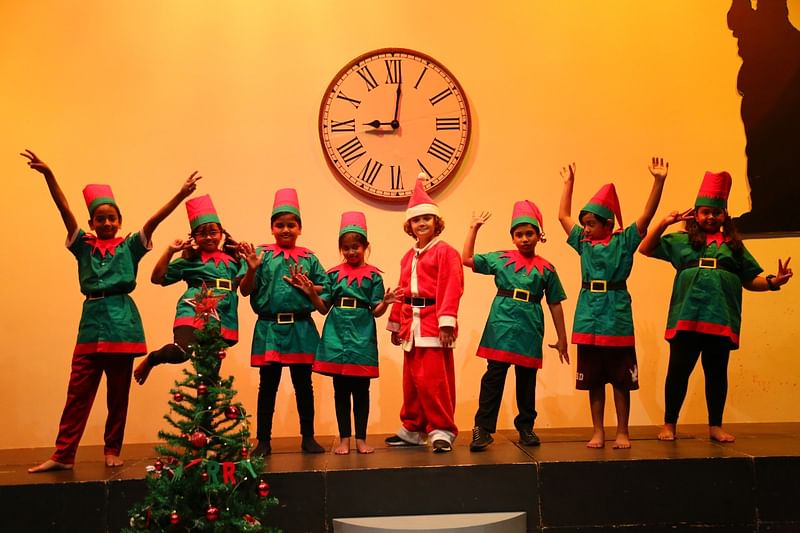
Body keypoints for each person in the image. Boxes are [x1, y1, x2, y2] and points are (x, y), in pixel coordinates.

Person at [21, 149, 200, 472]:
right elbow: (64, 211)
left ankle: (112, 450)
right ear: (91, 222)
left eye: (111, 218)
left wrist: (180, 194)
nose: (106, 222)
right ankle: (63, 454)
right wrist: (49, 176)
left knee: (118, 395)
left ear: (119, 221)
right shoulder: (83, 246)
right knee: (77, 393)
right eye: (100, 218)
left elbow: (153, 221)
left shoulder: (130, 246)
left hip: (122, 323)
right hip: (91, 324)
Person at [640, 170, 792, 443]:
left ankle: (715, 427)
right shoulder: (681, 241)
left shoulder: (734, 246)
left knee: (716, 375)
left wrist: (773, 281)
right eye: (705, 212)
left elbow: (750, 279)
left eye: (717, 213)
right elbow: (645, 248)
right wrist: (665, 222)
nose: (711, 217)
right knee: (678, 372)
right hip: (687, 318)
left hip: (720, 318)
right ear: (696, 215)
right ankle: (669, 424)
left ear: (725, 216)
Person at [557, 158, 668, 449]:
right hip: (588, 315)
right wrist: (569, 184)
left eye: (591, 224)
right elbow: (562, 216)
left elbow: (646, 215)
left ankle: (622, 431)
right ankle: (598, 430)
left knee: (620, 380)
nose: (586, 229)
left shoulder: (624, 241)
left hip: (616, 314)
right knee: (593, 380)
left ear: (608, 223)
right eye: (584, 225)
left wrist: (658, 182)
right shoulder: (582, 242)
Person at [463, 201, 569, 452]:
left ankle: (526, 426)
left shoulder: (547, 269)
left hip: (530, 326)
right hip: (501, 325)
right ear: (512, 237)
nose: (524, 239)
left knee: (526, 379)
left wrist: (562, 337)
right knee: (493, 377)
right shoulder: (500, 259)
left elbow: (555, 304)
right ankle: (482, 428)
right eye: (519, 234)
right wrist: (473, 228)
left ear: (539, 235)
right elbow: (467, 259)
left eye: (529, 233)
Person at [294, 212, 402, 454]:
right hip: (336, 332)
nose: (351, 252)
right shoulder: (333, 274)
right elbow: (323, 309)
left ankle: (361, 439)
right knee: (340, 389)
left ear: (365, 247)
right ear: (341, 249)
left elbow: (375, 312)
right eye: (346, 248)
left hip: (362, 333)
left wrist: (386, 302)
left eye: (356, 247)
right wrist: (311, 293)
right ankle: (344, 438)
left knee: (361, 389)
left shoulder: (374, 275)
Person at [239, 188, 326, 455]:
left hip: (301, 327)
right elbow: (244, 290)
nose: (285, 229)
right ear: (272, 228)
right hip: (270, 328)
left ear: (300, 228)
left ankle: (308, 437)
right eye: (280, 225)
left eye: (291, 225)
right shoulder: (260, 255)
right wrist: (252, 269)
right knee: (268, 386)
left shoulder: (309, 257)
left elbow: (325, 286)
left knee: (304, 385)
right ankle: (263, 440)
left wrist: (309, 288)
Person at [385, 175, 464, 453]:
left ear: (436, 223)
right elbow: (402, 290)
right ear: (409, 225)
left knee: (434, 381)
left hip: (433, 323)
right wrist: (396, 324)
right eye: (417, 220)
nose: (422, 224)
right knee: (413, 381)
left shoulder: (446, 253)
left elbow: (451, 287)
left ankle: (442, 428)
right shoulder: (408, 257)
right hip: (412, 326)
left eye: (428, 219)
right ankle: (413, 427)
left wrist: (447, 322)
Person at [133, 194, 243, 385]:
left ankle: (204, 413)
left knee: (209, 375)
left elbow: (248, 286)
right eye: (202, 233)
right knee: (182, 352)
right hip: (192, 310)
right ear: (194, 237)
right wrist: (169, 252)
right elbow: (157, 278)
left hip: (222, 315)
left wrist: (247, 260)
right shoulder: (189, 260)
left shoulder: (233, 261)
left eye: (213, 232)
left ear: (221, 233)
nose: (208, 237)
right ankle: (153, 359)